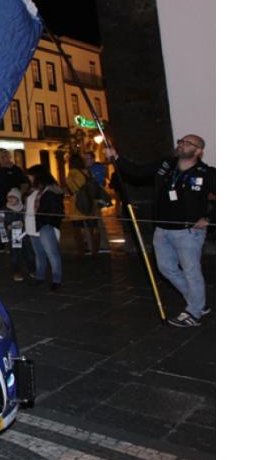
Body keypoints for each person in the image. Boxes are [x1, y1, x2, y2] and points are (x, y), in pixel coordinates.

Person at [106, 134, 215, 327]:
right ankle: (197, 301)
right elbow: (137, 172)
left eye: (188, 143)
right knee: (166, 269)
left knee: (191, 271)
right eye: (181, 141)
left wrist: (210, 218)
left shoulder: (206, 173)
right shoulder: (166, 165)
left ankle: (194, 312)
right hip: (162, 229)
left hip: (188, 232)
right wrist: (117, 157)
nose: (181, 144)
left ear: (199, 151)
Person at [26, 165, 65, 291]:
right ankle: (40, 277)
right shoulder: (32, 190)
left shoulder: (51, 191)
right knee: (39, 253)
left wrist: (45, 222)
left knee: (52, 253)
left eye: (31, 176)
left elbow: (55, 210)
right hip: (32, 225)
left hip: (45, 226)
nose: (29, 178)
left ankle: (56, 280)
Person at [66, 153, 101, 256]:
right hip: (90, 203)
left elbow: (72, 188)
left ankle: (81, 252)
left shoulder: (72, 172)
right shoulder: (88, 171)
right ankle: (95, 251)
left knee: (78, 230)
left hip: (77, 204)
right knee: (93, 228)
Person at [0, 188, 33, 281]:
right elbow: (1, 223)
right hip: (12, 236)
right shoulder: (4, 210)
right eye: (9, 198)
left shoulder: (23, 209)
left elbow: (29, 219)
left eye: (13, 198)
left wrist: (24, 223)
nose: (11, 200)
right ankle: (16, 272)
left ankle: (32, 270)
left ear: (18, 199)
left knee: (29, 253)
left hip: (24, 235)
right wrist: (8, 226)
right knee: (14, 255)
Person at [85, 152, 112, 253]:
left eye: (87, 159)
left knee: (98, 221)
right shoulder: (90, 169)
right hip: (90, 198)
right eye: (85, 159)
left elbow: (99, 182)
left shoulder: (97, 169)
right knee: (92, 221)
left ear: (93, 159)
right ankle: (93, 244)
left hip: (95, 198)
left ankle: (104, 245)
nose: (86, 161)